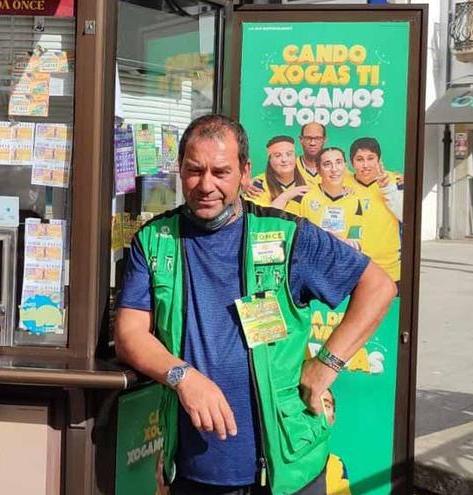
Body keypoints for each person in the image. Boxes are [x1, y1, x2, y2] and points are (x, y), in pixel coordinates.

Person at [115, 114, 396, 495]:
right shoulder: (154, 240)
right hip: (196, 470)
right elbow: (131, 334)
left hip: (288, 470)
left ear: (245, 172)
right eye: (195, 171)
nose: (206, 185)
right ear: (180, 169)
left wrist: (327, 364)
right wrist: (183, 377)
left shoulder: (286, 234)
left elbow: (378, 286)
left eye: (221, 172)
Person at [348, 138, 403, 284]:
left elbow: (406, 216)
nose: (365, 165)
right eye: (359, 159)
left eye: (370, 158)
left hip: (389, 270)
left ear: (379, 160)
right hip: (352, 270)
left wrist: (387, 189)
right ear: (351, 162)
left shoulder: (395, 181)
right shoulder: (340, 182)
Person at [294, 147, 364, 251]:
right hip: (313, 262)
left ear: (345, 166)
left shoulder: (355, 200)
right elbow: (295, 238)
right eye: (327, 164)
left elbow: (356, 239)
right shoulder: (305, 197)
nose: (334, 169)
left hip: (342, 262)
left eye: (339, 162)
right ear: (318, 170)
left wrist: (346, 243)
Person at [246, 136, 309, 215]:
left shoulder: (308, 180)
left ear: (295, 157)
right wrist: (286, 196)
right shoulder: (258, 185)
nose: (284, 160)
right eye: (278, 155)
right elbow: (263, 220)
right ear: (270, 160)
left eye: (289, 154)